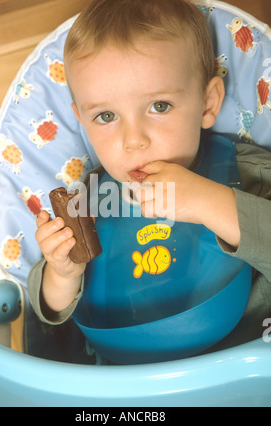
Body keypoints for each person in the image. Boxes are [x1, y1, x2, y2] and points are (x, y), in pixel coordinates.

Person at [28, 0, 271, 359]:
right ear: (81, 120)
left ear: (206, 104)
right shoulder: (86, 205)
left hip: (238, 371)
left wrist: (210, 202)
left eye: (159, 106)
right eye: (106, 115)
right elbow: (50, 318)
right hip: (127, 386)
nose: (133, 139)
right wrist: (62, 274)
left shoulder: (248, 172)